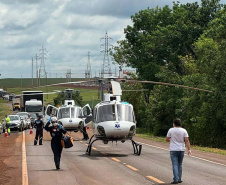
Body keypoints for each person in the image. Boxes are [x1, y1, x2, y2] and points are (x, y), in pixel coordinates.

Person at [166, 118, 191, 184]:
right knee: (180, 164)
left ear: (174, 123)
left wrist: (171, 140)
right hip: (181, 149)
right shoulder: (184, 130)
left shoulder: (171, 130)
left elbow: (167, 139)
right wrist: (189, 149)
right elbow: (187, 140)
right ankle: (179, 178)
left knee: (175, 164)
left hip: (173, 149)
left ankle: (175, 179)